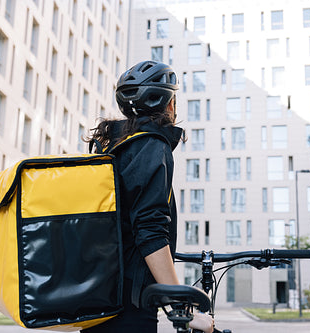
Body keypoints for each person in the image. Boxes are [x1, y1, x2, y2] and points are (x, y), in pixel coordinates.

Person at [82, 61, 214, 333]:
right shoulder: (151, 145)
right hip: (129, 301)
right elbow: (150, 231)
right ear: (169, 104)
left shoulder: (113, 146)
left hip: (100, 290)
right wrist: (181, 306)